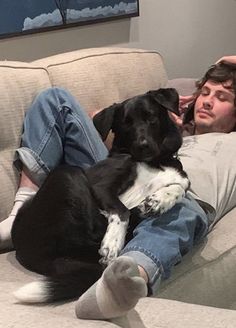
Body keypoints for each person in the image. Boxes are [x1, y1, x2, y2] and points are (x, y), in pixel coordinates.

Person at [1, 56, 236, 320]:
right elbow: (107, 121)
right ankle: (21, 207)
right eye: (205, 92)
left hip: (179, 194)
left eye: (223, 97)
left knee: (183, 211)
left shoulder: (230, 143)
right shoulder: (166, 121)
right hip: (120, 172)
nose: (207, 100)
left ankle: (124, 279)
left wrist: (226, 60)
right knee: (55, 99)